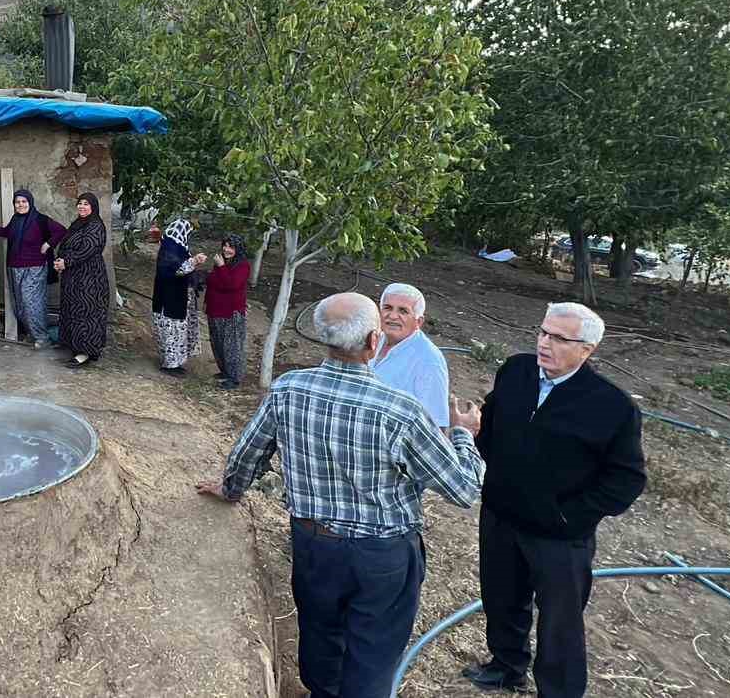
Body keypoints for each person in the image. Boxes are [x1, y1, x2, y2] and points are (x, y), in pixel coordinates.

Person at [197, 293, 485, 698]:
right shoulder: (399, 411)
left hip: (315, 545)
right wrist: (463, 434)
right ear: (374, 341)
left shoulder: (289, 389)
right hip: (383, 556)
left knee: (319, 631)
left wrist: (230, 489)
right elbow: (463, 489)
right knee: (373, 653)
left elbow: (249, 452)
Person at [462, 302, 646, 698]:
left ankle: (558, 691)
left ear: (587, 349)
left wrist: (568, 517)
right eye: (543, 332)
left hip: (559, 536)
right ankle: (506, 667)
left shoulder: (611, 406)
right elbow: (491, 429)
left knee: (560, 622)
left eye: (559, 338)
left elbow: (626, 479)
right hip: (502, 516)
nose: (545, 343)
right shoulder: (516, 371)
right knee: (501, 598)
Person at [0, 188, 66, 348]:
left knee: (32, 303)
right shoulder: (16, 220)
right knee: (20, 305)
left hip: (35, 268)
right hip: (15, 267)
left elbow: (61, 231)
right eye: (17, 202)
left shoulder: (40, 220)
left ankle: (42, 338)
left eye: (24, 201)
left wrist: (48, 244)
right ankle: (33, 334)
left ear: (30, 203)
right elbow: (6, 233)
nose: (20, 205)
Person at [369, 283, 451, 429]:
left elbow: (436, 424)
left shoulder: (429, 361)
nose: (393, 316)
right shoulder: (371, 340)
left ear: (418, 322)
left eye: (403, 311)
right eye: (387, 308)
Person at [53, 192, 109, 368]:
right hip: (74, 276)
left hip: (89, 279)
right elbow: (68, 245)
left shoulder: (95, 226)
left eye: (86, 204)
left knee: (86, 312)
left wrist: (66, 262)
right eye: (80, 203)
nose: (82, 207)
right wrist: (60, 261)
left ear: (93, 207)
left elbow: (87, 249)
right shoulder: (78, 224)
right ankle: (74, 345)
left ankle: (85, 352)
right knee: (73, 310)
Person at [153, 218, 205, 376]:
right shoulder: (170, 248)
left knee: (177, 331)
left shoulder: (178, 247)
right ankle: (170, 365)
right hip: (169, 298)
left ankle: (175, 363)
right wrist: (194, 261)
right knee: (172, 330)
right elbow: (176, 269)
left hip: (177, 297)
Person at [203, 233, 251, 388]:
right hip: (215, 310)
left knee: (232, 346)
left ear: (238, 249)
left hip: (231, 313)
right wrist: (206, 302)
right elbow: (212, 282)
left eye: (231, 247)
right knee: (217, 343)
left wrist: (222, 266)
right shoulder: (221, 262)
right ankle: (224, 371)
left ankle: (234, 378)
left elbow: (231, 285)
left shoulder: (242, 265)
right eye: (225, 245)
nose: (227, 249)